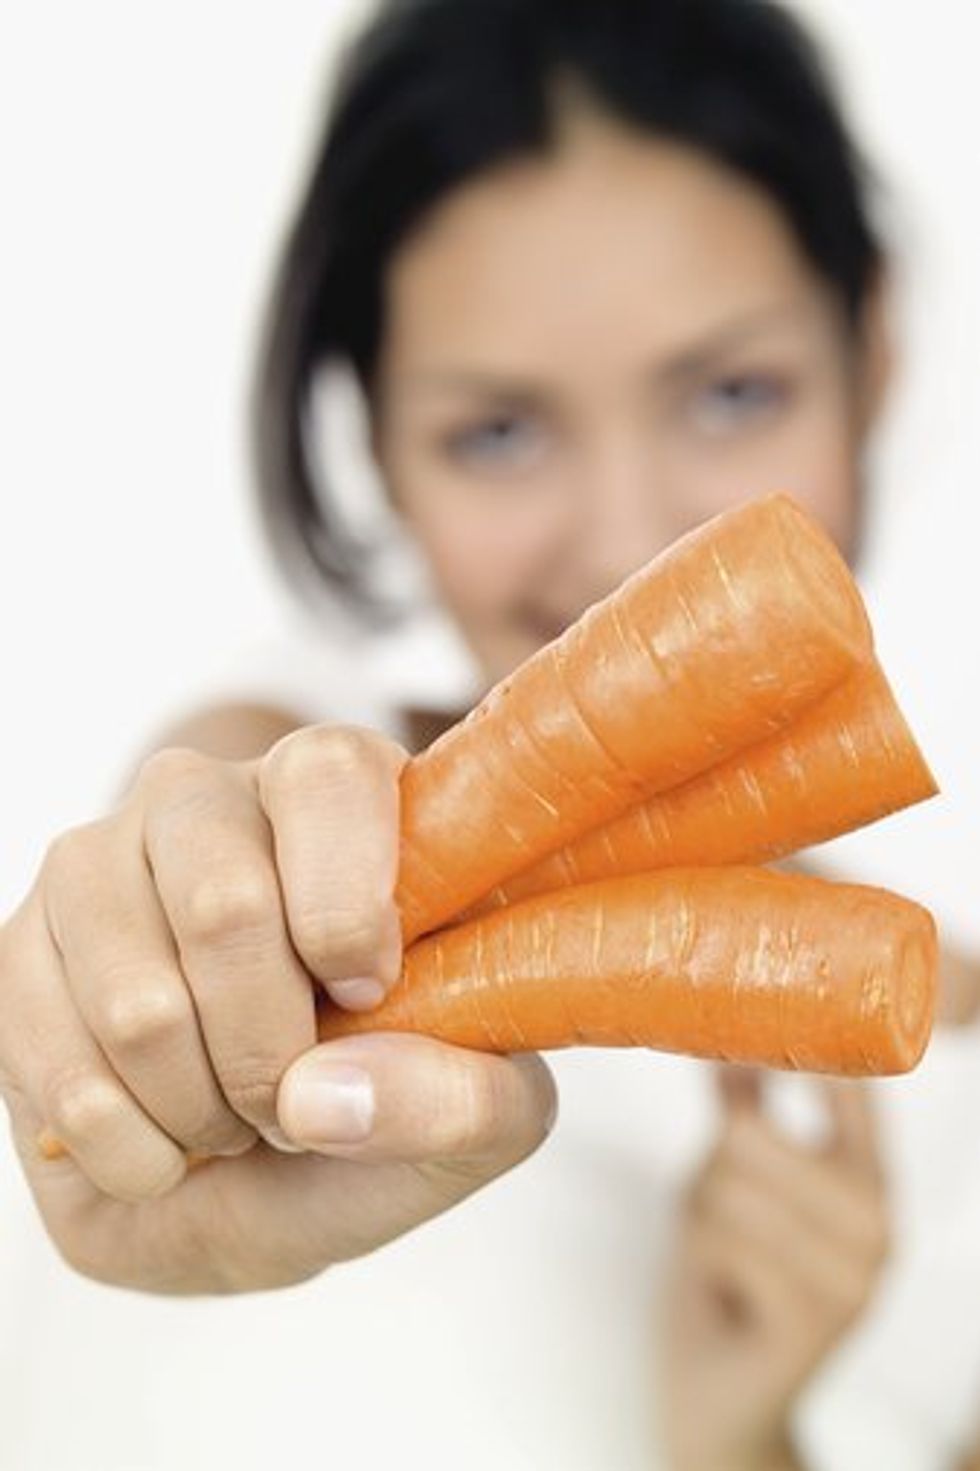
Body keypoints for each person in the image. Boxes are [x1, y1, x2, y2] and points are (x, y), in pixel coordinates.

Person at [0, 1, 974, 1466]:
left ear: (874, 358)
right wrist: (150, 958)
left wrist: (740, 1438)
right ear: (380, 439)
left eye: (731, 392)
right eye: (497, 434)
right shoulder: (285, 840)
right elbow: (209, 820)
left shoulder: (957, 1088)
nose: (633, 546)